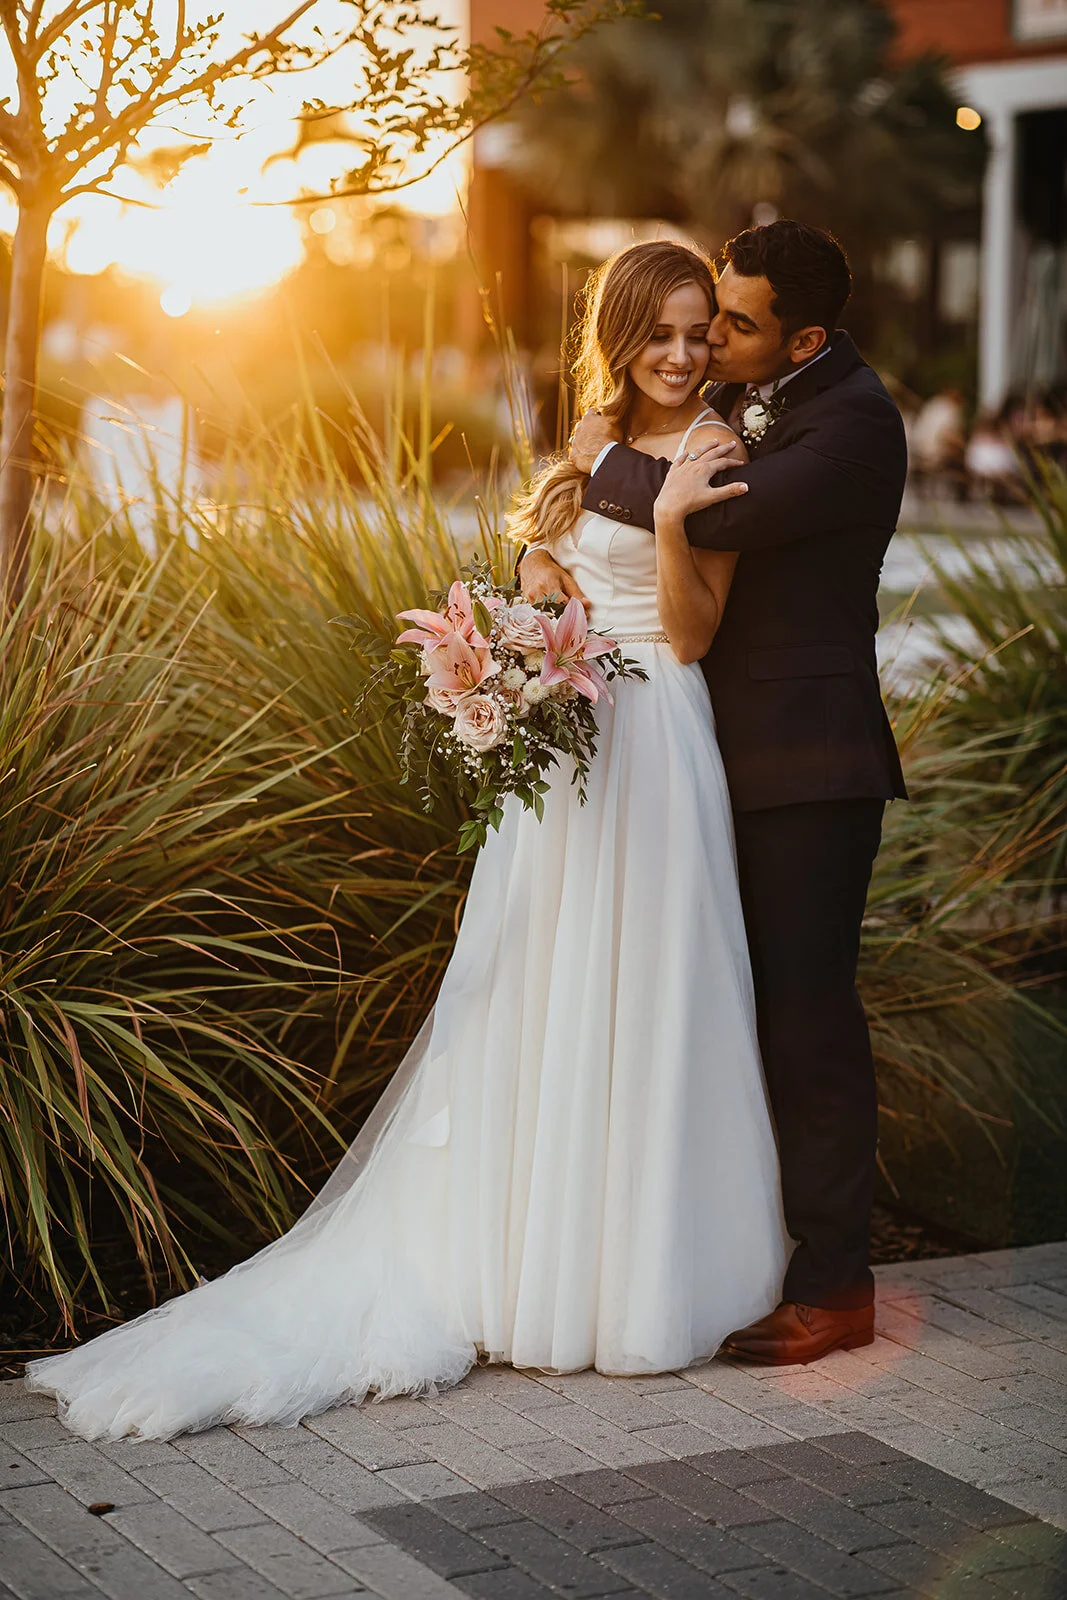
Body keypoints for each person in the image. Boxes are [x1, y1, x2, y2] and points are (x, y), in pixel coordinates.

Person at [25, 240, 790, 1442]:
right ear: (624, 331)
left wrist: (680, 531)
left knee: (650, 993)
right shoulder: (586, 441)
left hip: (661, 734)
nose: (685, 354)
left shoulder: (718, 455)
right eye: (663, 330)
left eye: (701, 332)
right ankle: (526, 1261)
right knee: (539, 988)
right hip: (574, 732)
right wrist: (536, 587)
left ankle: (633, 1278)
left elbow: (691, 638)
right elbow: (553, 575)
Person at [522, 219, 908, 1365]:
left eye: (731, 324)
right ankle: (706, 1250)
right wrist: (548, 537)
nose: (711, 341)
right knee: (711, 1010)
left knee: (806, 1018)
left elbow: (716, 514)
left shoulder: (850, 423)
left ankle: (835, 1285)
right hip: (705, 753)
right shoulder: (750, 404)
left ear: (803, 335)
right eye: (702, 320)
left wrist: (587, 448)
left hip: (807, 762)